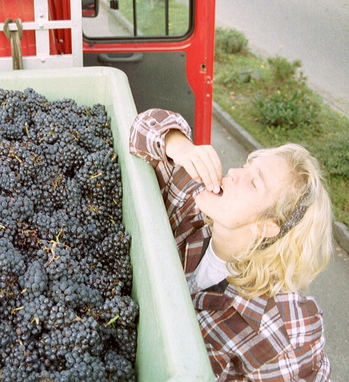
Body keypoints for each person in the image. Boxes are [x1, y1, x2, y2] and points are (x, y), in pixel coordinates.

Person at [129, 108, 332, 381]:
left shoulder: (284, 333)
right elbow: (142, 127)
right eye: (247, 165)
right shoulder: (191, 209)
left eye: (254, 183)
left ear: (268, 226)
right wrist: (182, 147)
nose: (235, 172)